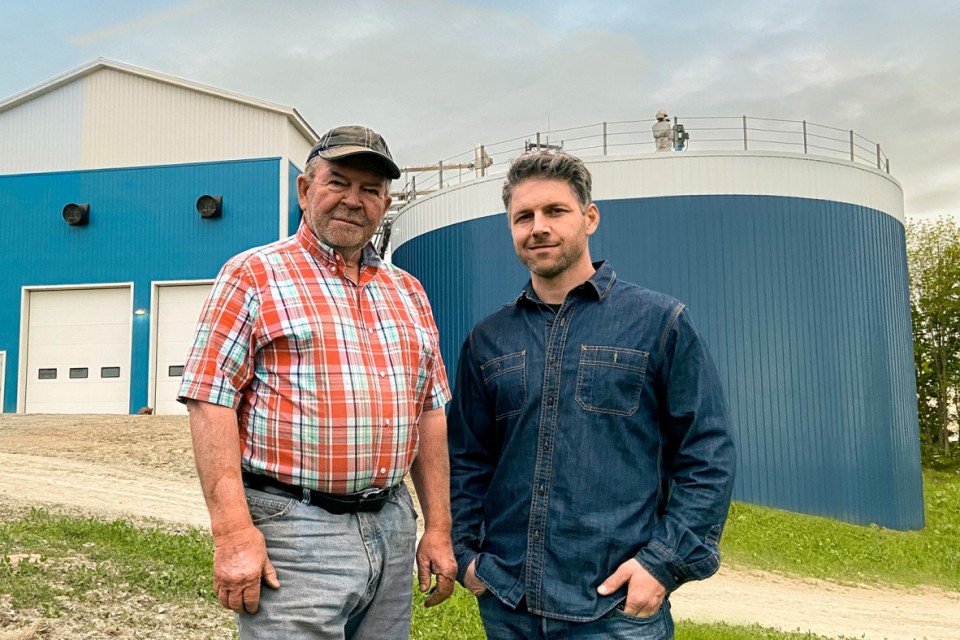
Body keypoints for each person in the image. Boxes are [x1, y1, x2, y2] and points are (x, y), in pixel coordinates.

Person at [179, 125, 458, 640]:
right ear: (306, 190)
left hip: (393, 524)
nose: (353, 200)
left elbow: (429, 412)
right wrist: (234, 532)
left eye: (370, 190)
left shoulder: (409, 291)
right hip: (294, 530)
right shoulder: (253, 275)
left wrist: (438, 528)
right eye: (338, 182)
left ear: (385, 203)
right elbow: (209, 402)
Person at [448, 150, 736, 639]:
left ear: (589, 217)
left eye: (554, 211)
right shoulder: (488, 340)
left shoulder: (659, 323)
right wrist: (469, 557)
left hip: (613, 610)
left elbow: (707, 454)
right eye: (523, 217)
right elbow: (468, 459)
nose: (538, 227)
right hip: (510, 606)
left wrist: (662, 564)